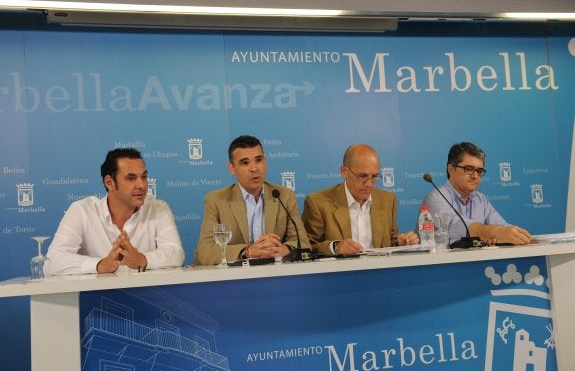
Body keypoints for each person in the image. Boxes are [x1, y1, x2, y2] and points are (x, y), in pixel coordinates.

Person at [47, 148, 185, 275]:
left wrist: (143, 259)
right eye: (131, 178)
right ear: (109, 183)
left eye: (143, 176)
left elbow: (176, 253)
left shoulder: (159, 209)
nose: (142, 185)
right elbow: (52, 261)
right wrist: (100, 265)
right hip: (96, 298)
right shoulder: (82, 210)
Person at [195, 135, 310, 265]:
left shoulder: (284, 196)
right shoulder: (216, 200)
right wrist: (247, 251)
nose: (254, 168)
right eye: (245, 163)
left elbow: (303, 243)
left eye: (258, 160)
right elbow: (205, 251)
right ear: (231, 168)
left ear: (265, 161)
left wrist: (279, 249)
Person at [302, 144, 419, 255]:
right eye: (362, 176)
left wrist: (401, 242)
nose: (369, 184)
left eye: (374, 177)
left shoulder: (388, 200)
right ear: (344, 172)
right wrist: (336, 247)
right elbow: (307, 246)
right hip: (339, 273)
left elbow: (390, 241)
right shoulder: (318, 202)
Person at [422, 142, 531, 245]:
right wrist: (494, 232)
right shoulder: (436, 197)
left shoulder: (481, 199)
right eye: (469, 169)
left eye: (479, 171)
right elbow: (455, 226)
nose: (475, 176)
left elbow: (500, 226)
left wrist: (516, 235)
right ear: (451, 169)